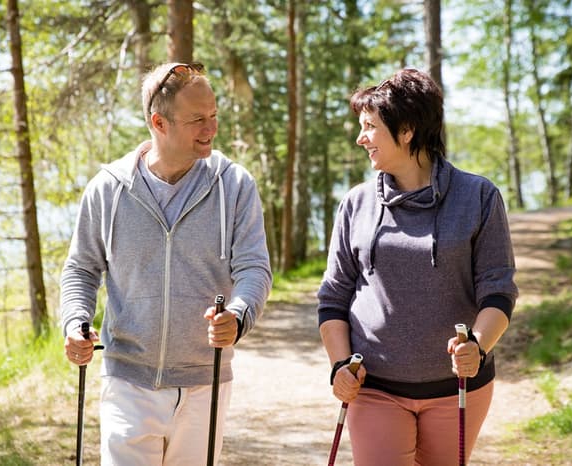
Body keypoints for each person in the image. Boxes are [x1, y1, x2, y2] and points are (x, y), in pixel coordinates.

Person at [60, 62, 272, 465]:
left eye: (213, 116)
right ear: (159, 122)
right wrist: (75, 323)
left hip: (204, 382)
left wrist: (240, 314)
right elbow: (81, 269)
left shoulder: (234, 185)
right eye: (197, 119)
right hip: (127, 381)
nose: (210, 128)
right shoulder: (108, 189)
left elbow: (253, 268)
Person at [317, 68, 518, 466]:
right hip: (373, 387)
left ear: (406, 129)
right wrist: (340, 365)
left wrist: (477, 346)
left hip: (458, 388)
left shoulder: (478, 196)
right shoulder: (356, 204)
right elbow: (333, 296)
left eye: (370, 127)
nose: (361, 138)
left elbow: (498, 289)